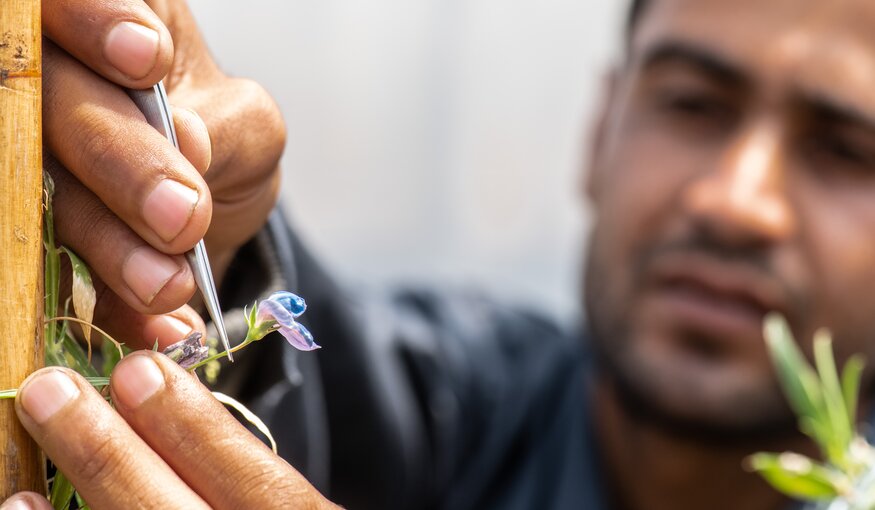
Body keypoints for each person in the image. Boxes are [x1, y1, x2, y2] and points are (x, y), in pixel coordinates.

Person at [6, 0, 875, 508]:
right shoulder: (457, 410)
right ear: (601, 128)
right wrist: (200, 249)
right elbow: (334, 379)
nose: (733, 200)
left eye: (845, 151)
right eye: (692, 103)